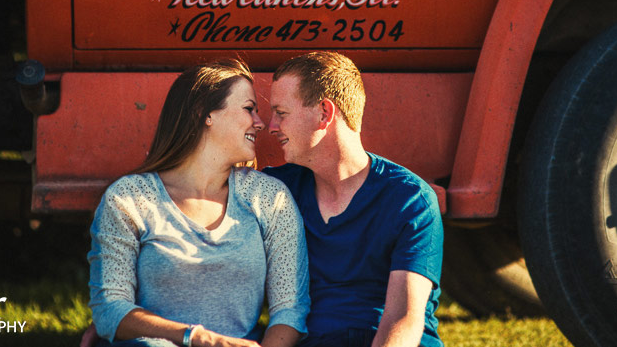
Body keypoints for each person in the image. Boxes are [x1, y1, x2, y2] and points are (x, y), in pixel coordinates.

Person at [88, 59, 310, 347]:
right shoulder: (130, 198)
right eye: (248, 109)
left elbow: (290, 309)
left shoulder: (268, 198)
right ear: (203, 113)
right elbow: (110, 309)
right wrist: (197, 338)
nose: (260, 123)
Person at [263, 52, 444, 347]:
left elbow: (403, 318)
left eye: (281, 113)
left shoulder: (409, 199)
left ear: (324, 112)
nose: (271, 126)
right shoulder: (279, 190)